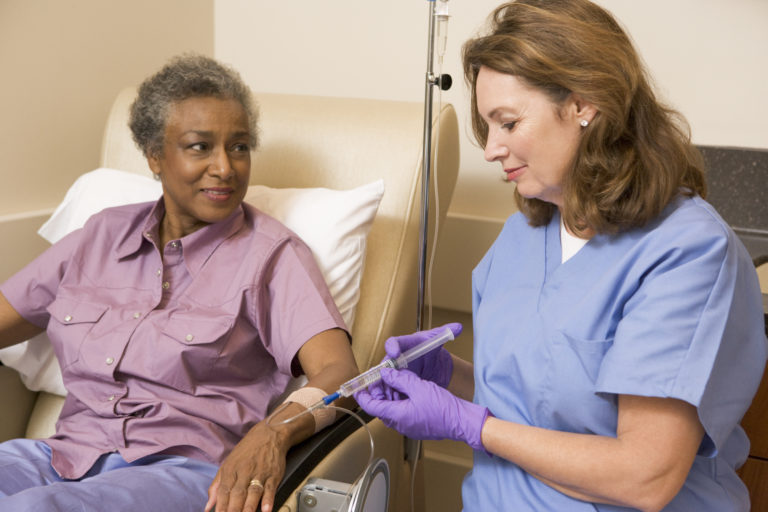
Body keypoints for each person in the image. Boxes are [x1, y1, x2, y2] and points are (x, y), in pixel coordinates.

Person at [355, 1, 767, 511]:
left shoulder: (685, 252)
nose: (490, 149)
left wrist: (470, 426)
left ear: (583, 104)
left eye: (508, 123)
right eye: (488, 127)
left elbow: (645, 476)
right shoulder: (522, 237)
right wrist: (449, 377)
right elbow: (533, 404)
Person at [0, 54, 359, 512]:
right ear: (155, 155)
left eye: (239, 147)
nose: (225, 167)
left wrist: (273, 432)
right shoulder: (101, 235)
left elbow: (342, 373)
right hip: (63, 455)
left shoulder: (271, 256)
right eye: (199, 147)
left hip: (179, 471)